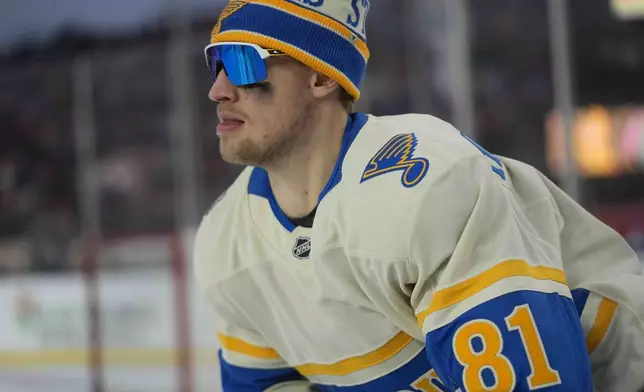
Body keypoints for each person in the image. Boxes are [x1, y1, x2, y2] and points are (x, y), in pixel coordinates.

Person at [193, 1, 644, 391]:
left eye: (242, 62)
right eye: (215, 64)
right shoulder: (225, 244)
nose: (218, 90)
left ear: (320, 78)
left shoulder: (427, 183)